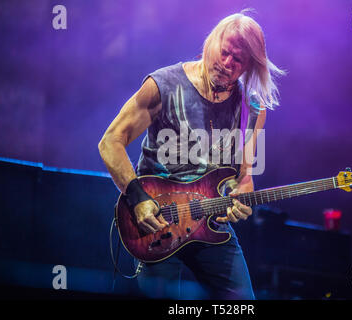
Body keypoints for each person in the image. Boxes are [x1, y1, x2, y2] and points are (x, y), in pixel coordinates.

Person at [98, 10, 284, 299]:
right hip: (158, 223)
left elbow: (244, 176)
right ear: (211, 41)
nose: (226, 63)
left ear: (249, 66)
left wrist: (241, 198)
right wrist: (138, 200)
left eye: (238, 60)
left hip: (212, 225)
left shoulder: (253, 106)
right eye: (224, 52)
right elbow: (110, 141)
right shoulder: (164, 85)